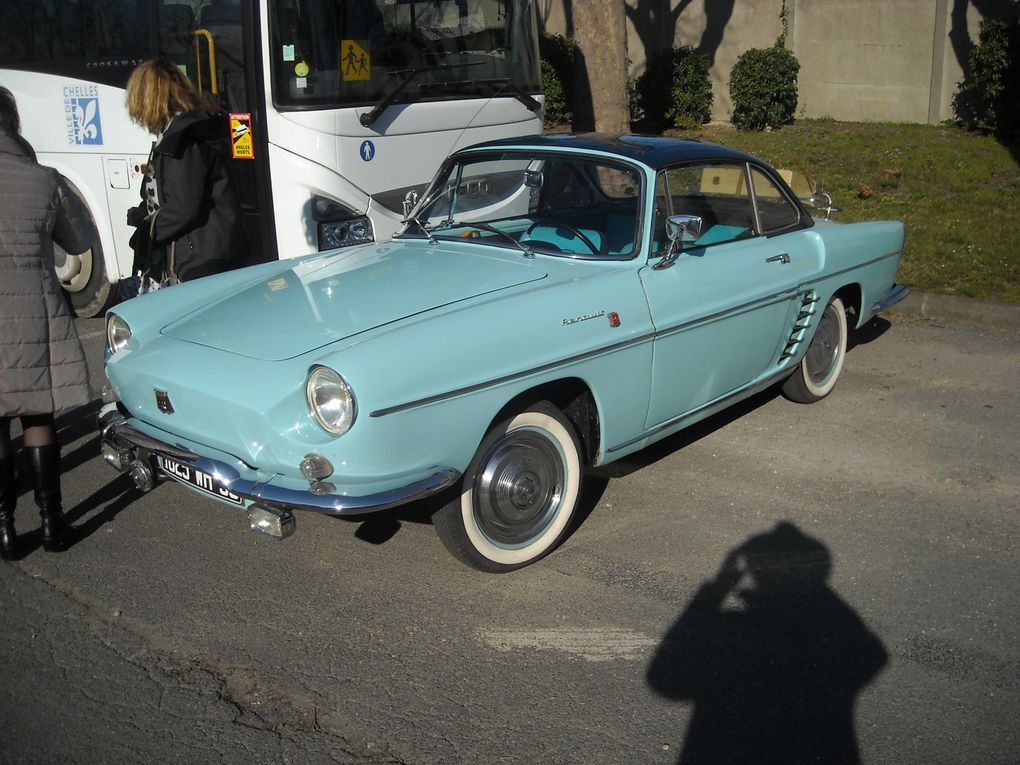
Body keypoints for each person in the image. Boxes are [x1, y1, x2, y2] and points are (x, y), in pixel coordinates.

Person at [0, 86, 96, 560]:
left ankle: (4, 530)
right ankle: (52, 523)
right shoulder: (44, 180)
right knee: (38, 418)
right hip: (34, 313)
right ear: (13, 122)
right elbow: (79, 243)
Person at [124, 59, 246, 291]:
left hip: (199, 261)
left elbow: (182, 208)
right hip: (205, 255)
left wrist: (147, 232)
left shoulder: (182, 140)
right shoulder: (182, 132)